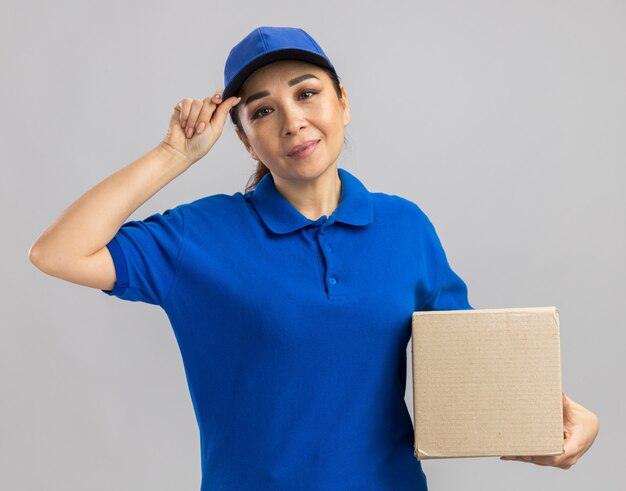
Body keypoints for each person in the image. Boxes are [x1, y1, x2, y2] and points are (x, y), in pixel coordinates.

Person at [28, 26, 598, 490]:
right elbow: (57, 252)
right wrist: (173, 154)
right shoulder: (197, 237)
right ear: (246, 140)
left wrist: (560, 416)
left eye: (306, 93)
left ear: (343, 103)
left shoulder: (404, 227)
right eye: (262, 111)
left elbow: (476, 369)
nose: (293, 120)